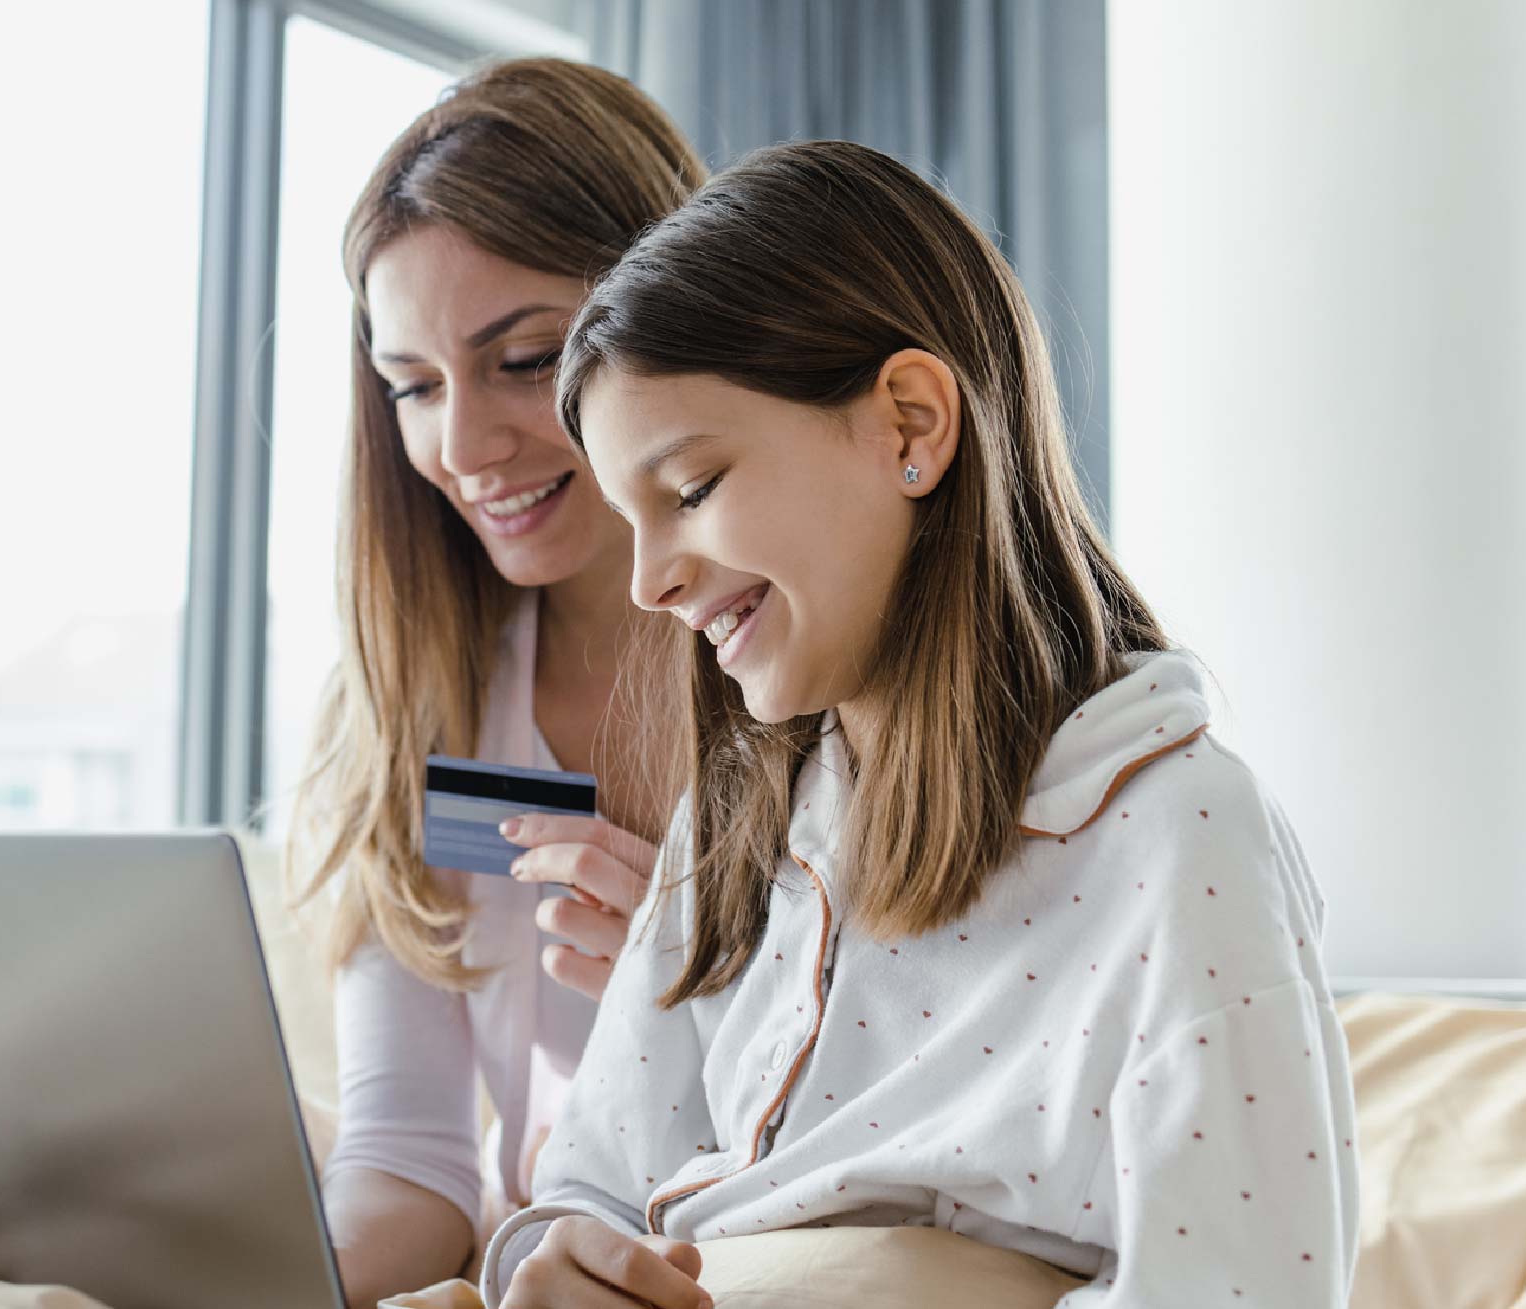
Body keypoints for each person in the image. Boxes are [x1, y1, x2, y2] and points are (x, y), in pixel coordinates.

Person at [483, 140, 1359, 1307]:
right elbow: (584, 1191)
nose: (647, 582)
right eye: (628, 518)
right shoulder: (736, 825)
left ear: (908, 424)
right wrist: (548, 1264)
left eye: (688, 491)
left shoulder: (1179, 841)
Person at [280, 58, 707, 1304]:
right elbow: (411, 1156)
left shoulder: (817, 673)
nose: (460, 449)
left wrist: (694, 999)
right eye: (412, 386)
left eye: (525, 359)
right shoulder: (420, 704)